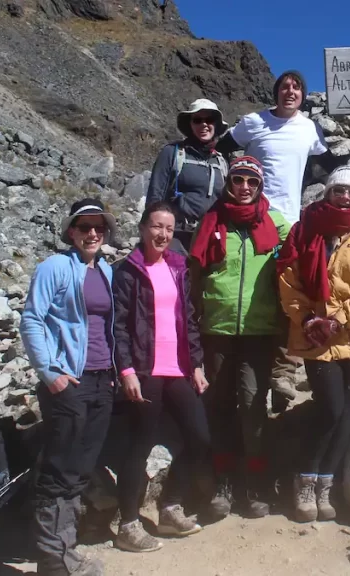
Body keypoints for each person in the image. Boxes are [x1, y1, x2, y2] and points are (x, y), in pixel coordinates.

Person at [217, 70, 350, 404]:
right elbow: (222, 147)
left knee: (291, 292)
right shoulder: (253, 122)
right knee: (259, 290)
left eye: (297, 87)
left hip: (289, 222)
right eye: (285, 87)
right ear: (276, 92)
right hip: (253, 219)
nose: (291, 91)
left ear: (302, 95)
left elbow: (323, 164)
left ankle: (284, 372)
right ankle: (253, 365)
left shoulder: (308, 128)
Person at [277, 165, 350, 523]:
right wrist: (308, 318)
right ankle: (304, 478)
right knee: (331, 408)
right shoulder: (303, 230)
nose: (345, 198)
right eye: (338, 191)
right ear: (327, 194)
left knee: (347, 414)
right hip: (315, 337)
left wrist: (339, 319)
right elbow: (288, 278)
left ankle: (325, 484)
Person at [189, 156, 290, 520]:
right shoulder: (212, 220)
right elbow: (195, 274)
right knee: (218, 405)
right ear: (228, 183)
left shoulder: (276, 223)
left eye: (251, 181)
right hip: (216, 327)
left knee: (252, 406)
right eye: (238, 180)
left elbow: (298, 260)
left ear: (260, 186)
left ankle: (257, 482)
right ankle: (224, 481)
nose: (244, 187)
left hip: (259, 330)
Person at [21, 198, 118, 576]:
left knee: (80, 468)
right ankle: (54, 559)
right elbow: (32, 319)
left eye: (99, 227)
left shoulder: (106, 271)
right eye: (84, 227)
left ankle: (66, 549)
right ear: (71, 232)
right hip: (68, 380)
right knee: (61, 468)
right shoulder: (55, 267)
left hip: (101, 379)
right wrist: (49, 372)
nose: (92, 233)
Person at [112, 201, 211, 551]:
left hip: (178, 369)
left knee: (200, 437)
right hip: (144, 370)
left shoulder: (177, 267)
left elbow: (189, 320)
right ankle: (128, 523)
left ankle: (170, 507)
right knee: (139, 446)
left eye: (169, 229)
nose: (163, 234)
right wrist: (126, 370)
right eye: (157, 226)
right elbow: (119, 328)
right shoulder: (127, 272)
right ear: (142, 228)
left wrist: (196, 364)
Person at [145, 98, 230, 250]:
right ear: (190, 125)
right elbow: (155, 196)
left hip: (210, 238)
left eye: (209, 120)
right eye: (197, 120)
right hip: (177, 237)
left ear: (215, 124)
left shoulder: (221, 161)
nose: (204, 124)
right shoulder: (173, 152)